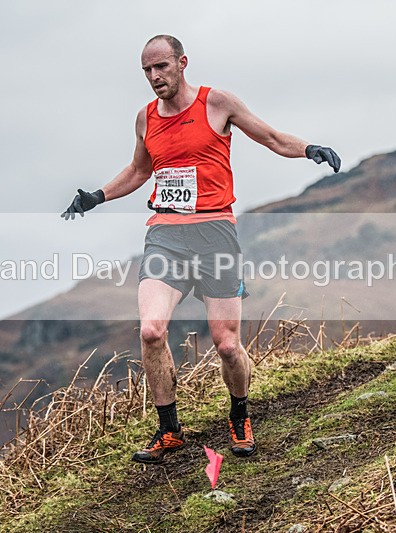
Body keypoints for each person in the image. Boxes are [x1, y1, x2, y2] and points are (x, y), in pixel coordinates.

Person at [62, 35, 340, 464]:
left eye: (162, 68)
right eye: (147, 71)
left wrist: (310, 149)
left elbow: (269, 137)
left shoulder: (217, 103)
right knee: (151, 331)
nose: (155, 78)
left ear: (181, 63)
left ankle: (239, 415)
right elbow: (139, 170)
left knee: (226, 344)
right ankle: (170, 430)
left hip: (215, 233)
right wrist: (97, 196)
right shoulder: (145, 118)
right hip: (166, 235)